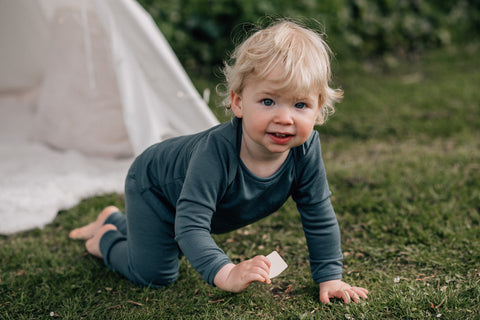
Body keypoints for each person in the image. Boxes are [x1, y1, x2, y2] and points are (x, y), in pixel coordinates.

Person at [69, 19, 368, 304]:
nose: (284, 118)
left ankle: (114, 219)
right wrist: (226, 273)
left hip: (183, 199)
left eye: (300, 104)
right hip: (155, 187)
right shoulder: (216, 153)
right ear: (238, 102)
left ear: (317, 111)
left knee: (166, 246)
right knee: (156, 273)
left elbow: (319, 215)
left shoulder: (306, 150)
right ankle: (107, 239)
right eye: (268, 101)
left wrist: (330, 277)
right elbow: (189, 225)